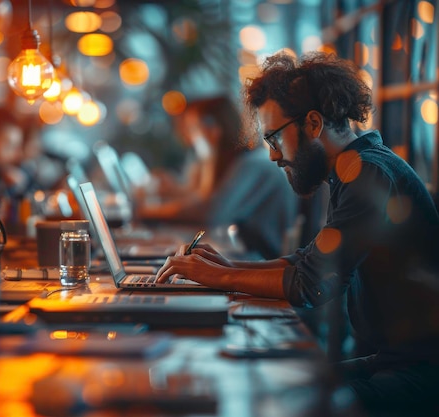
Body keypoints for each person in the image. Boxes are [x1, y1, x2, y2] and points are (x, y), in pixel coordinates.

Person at [155, 52, 439, 414]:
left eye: (274, 138)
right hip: (391, 361)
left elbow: (310, 285)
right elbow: (309, 260)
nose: (273, 156)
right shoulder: (354, 167)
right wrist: (229, 266)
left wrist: (218, 277)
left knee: (278, 399)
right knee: (272, 382)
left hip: (420, 375)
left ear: (314, 123)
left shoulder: (369, 175)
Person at [135, 95, 300, 259]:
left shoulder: (253, 164)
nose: (190, 138)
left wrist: (144, 211)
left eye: (194, 129)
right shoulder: (238, 162)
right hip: (242, 250)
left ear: (215, 130)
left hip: (260, 258)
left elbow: (212, 212)